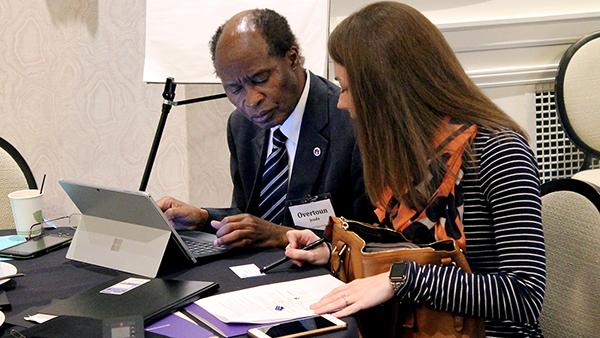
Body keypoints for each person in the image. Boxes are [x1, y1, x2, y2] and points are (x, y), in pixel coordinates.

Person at [285, 2, 546, 336]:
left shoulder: (499, 152)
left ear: (387, 89)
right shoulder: (406, 150)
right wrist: (333, 253)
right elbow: (405, 253)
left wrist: (402, 281)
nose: (341, 102)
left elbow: (523, 296)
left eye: (348, 88)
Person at [158, 9, 375, 249]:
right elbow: (250, 215)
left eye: (260, 79)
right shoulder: (241, 126)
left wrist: (280, 235)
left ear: (292, 58)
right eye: (235, 89)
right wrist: (204, 218)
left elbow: (373, 237)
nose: (251, 101)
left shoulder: (351, 121)